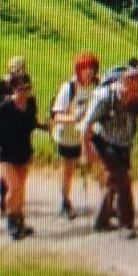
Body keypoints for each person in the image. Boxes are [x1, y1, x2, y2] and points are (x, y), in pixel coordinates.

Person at [82, 66, 138, 239]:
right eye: (132, 88)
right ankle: (126, 224)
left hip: (123, 145)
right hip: (103, 143)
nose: (135, 92)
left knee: (112, 181)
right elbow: (85, 125)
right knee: (123, 182)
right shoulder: (104, 98)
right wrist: (86, 151)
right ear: (123, 83)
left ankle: (101, 221)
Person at [0, 75, 41, 239]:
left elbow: (31, 124)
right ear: (13, 90)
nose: (24, 92)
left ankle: (20, 220)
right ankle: (11, 222)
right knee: (14, 186)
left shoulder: (31, 104)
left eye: (27, 88)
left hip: (23, 151)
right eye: (20, 89)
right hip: (5, 153)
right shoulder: (4, 108)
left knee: (21, 188)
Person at [50, 52, 100, 219]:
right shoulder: (69, 88)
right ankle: (65, 202)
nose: (89, 73)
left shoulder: (96, 86)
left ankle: (106, 203)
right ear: (79, 69)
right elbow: (57, 116)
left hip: (87, 134)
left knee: (99, 164)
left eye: (92, 69)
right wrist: (74, 118)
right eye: (86, 69)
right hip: (68, 136)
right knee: (68, 170)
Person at [0, 56, 29, 212]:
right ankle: (5, 202)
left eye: (21, 67)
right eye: (16, 68)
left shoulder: (25, 82)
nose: (19, 71)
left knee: (18, 181)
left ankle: (15, 211)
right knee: (8, 176)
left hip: (16, 128)